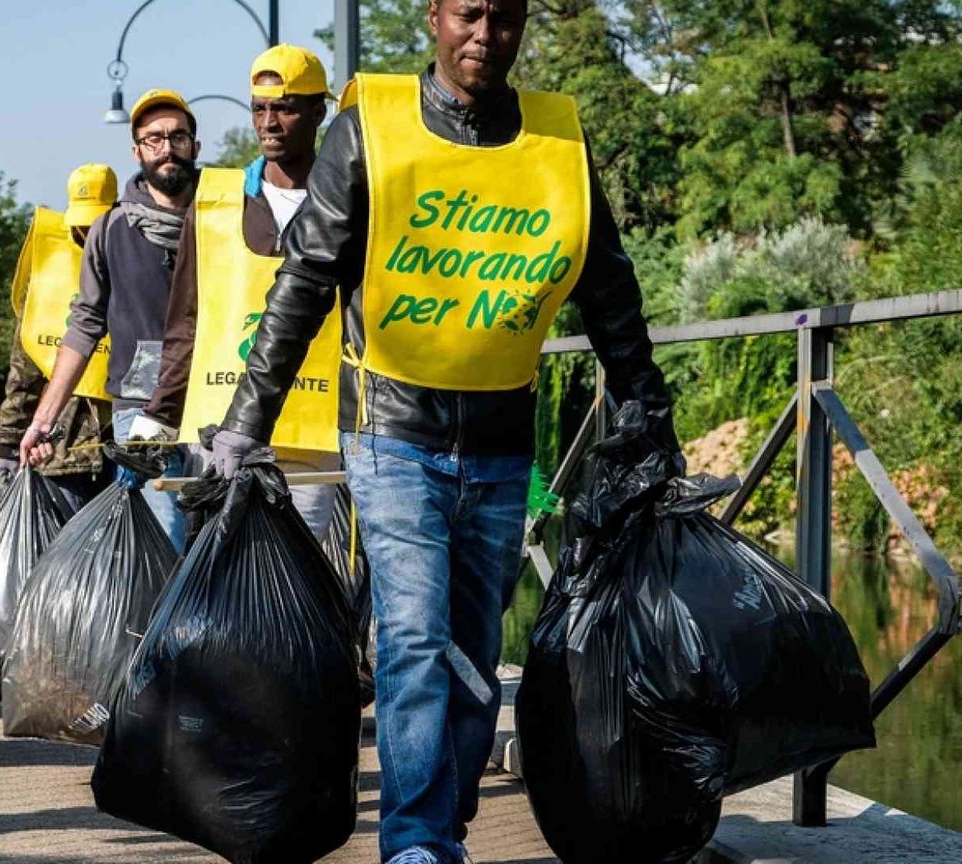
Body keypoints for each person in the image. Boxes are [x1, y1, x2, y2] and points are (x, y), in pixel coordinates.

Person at [207, 2, 685, 862]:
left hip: (504, 443)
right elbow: (305, 281)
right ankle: (417, 840)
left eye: (505, 19)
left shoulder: (557, 140)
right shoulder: (369, 130)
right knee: (415, 638)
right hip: (393, 434)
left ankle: (444, 817)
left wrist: (647, 409)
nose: (485, 36)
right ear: (433, 17)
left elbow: (609, 290)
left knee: (473, 649)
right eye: (468, 13)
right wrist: (249, 423)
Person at [138, 44, 341, 538]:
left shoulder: (347, 204)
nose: (269, 123)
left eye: (286, 107)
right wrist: (160, 417)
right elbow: (187, 321)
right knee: (224, 580)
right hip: (221, 431)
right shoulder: (215, 205)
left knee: (297, 582)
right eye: (259, 108)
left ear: (319, 111)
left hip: (311, 436)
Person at [19, 90, 202, 549]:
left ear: (195, 146)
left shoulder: (225, 218)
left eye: (178, 136)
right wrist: (45, 417)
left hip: (214, 403)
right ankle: (156, 623)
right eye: (154, 138)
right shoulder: (111, 230)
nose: (167, 147)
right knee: (163, 541)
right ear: (137, 151)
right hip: (141, 410)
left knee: (223, 543)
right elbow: (83, 326)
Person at [0, 164, 118, 511]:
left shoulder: (133, 263)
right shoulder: (49, 277)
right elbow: (25, 368)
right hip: (61, 451)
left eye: (95, 223)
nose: (86, 233)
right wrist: (9, 441)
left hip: (124, 449)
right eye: (80, 225)